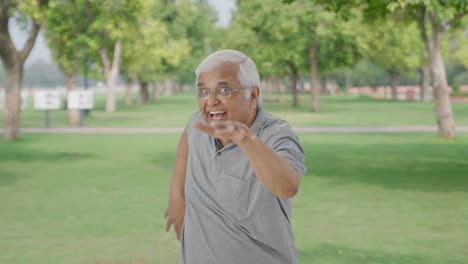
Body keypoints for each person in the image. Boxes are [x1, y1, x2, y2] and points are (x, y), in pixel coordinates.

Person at [165, 49, 307, 264]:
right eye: (203, 91)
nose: (211, 101)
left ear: (253, 95)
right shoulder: (200, 124)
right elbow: (188, 137)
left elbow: (287, 186)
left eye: (223, 90)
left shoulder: (277, 135)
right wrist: (177, 195)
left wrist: (245, 139)